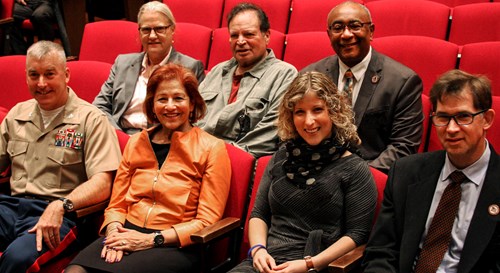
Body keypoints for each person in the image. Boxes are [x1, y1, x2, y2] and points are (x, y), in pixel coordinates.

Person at [65, 63, 232, 273]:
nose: (170, 106)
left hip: (175, 242)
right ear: (152, 105)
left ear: (192, 104)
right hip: (126, 230)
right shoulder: (136, 142)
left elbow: (206, 221)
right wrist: (114, 232)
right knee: (76, 271)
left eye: (178, 98)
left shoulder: (212, 148)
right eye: (162, 99)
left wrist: (150, 240)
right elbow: (116, 205)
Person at [229, 71, 377, 273]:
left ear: (333, 112)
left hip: (317, 266)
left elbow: (357, 234)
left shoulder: (355, 168)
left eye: (317, 110)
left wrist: (309, 264)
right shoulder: (280, 157)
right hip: (266, 262)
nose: (309, 121)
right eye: (300, 112)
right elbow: (258, 214)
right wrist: (258, 250)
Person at [0, 41, 121, 273]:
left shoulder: (91, 120)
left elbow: (103, 183)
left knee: (16, 258)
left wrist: (62, 205)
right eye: (34, 75)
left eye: (49, 74)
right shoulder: (17, 114)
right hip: (11, 207)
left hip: (60, 216)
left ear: (66, 75)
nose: (41, 83)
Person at [362, 69, 500, 273]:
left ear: (487, 119)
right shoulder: (406, 172)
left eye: (463, 117)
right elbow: (381, 252)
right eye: (443, 117)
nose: (451, 129)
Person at [302, 1, 423, 173]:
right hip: (316, 175)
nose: (346, 34)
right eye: (338, 28)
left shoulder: (402, 81)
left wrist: (357, 179)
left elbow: (403, 146)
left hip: (371, 179)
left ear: (371, 31)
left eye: (355, 26)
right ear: (329, 34)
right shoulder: (310, 75)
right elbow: (294, 133)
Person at [197, 3, 298, 158]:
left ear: (267, 36)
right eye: (234, 35)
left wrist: (216, 157)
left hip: (239, 162)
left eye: (249, 34)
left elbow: (268, 135)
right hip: (195, 156)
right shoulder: (217, 71)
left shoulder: (284, 74)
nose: (240, 41)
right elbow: (191, 117)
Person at [93, 1, 205, 135]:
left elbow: (197, 116)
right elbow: (100, 106)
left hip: (162, 141)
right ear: (139, 32)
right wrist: (117, 135)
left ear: (172, 30)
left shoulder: (190, 67)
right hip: (119, 137)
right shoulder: (122, 63)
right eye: (146, 29)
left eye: (159, 29)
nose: (152, 36)